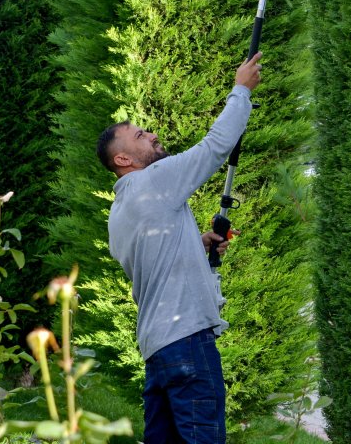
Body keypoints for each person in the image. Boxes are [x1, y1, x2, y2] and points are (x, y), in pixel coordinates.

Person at [95, 52, 262, 444]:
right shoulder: (152, 180)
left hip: (158, 351)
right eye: (139, 136)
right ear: (123, 159)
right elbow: (216, 146)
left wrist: (196, 242)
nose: (151, 134)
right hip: (187, 343)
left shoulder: (120, 212)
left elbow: (157, 263)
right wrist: (241, 90)